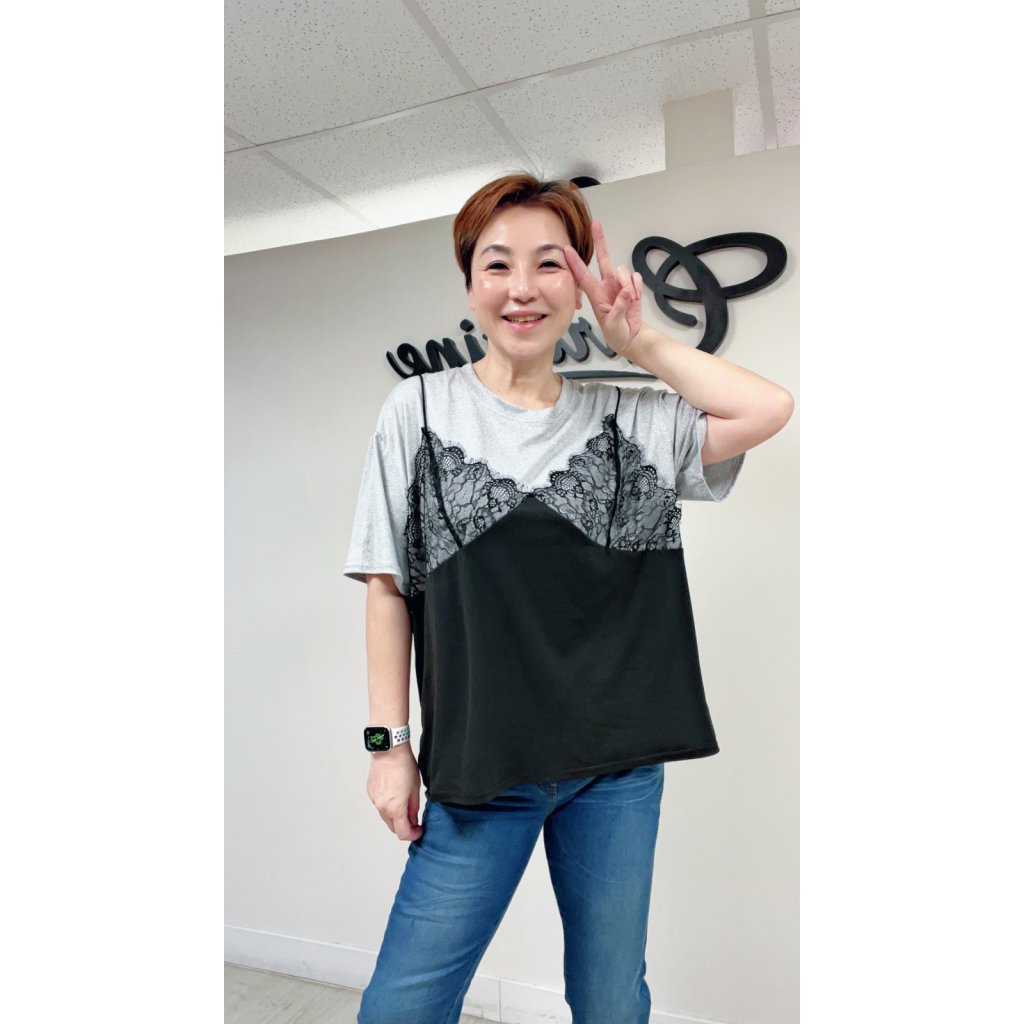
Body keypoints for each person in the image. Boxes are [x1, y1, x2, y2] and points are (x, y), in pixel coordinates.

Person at [344, 173, 794, 1023]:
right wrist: (387, 747)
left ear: (579, 281)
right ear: (470, 283)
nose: (522, 288)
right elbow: (386, 584)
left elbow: (768, 407)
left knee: (609, 1000)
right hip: (481, 765)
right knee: (403, 1006)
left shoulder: (632, 417)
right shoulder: (419, 409)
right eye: (497, 264)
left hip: (616, 769)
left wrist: (641, 340)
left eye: (550, 264)